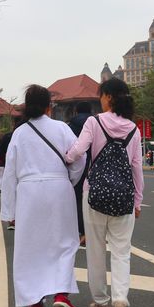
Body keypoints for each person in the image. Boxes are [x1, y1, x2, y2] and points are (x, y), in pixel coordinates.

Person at [0, 85, 86, 307]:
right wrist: (69, 180)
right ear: (50, 105)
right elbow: (79, 158)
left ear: (27, 107)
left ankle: (35, 303)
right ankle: (61, 294)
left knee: (30, 246)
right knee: (65, 242)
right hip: (59, 189)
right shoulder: (62, 129)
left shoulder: (19, 134)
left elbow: (10, 172)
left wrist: (9, 209)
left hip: (29, 192)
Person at [65, 78, 143, 307]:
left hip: (95, 194)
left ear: (108, 96)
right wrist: (138, 200)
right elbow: (137, 167)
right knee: (122, 252)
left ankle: (100, 302)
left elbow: (78, 150)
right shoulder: (133, 128)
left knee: (96, 250)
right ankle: (120, 300)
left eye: (101, 95)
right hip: (123, 197)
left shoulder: (94, 122)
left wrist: (67, 158)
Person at [68, 101, 93, 245]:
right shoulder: (97, 123)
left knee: (77, 199)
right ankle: (93, 232)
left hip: (77, 165)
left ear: (76, 111)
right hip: (94, 166)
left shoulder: (70, 126)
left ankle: (82, 231)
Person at [0, 117, 24, 231]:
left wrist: (5, 163)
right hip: (25, 169)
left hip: (10, 166)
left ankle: (11, 219)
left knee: (11, 191)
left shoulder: (9, 136)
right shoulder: (26, 135)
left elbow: (1, 152)